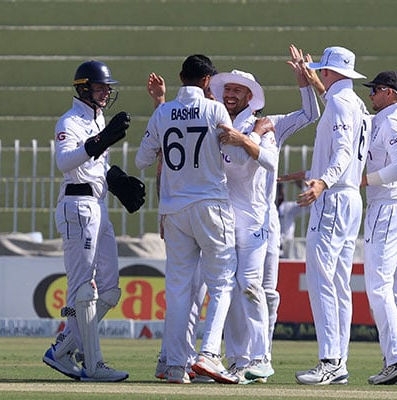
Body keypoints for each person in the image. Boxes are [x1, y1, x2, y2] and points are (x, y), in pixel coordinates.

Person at [208, 53, 321, 383]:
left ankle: (260, 358)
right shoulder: (218, 122)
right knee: (237, 286)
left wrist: (304, 85)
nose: (229, 94)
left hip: (264, 217)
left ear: (249, 96)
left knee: (263, 292)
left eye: (237, 90)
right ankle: (241, 358)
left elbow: (310, 114)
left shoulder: (269, 122)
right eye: (226, 89)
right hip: (230, 217)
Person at [136, 54, 242, 385]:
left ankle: (174, 364)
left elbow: (142, 159)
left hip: (175, 210)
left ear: (181, 76)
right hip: (210, 204)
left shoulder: (164, 112)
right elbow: (234, 155)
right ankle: (209, 354)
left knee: (179, 288)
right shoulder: (215, 109)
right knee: (222, 280)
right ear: (208, 81)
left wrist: (161, 111)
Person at [42, 60, 141, 382]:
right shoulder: (69, 121)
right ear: (83, 88)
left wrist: (118, 179)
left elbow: (96, 166)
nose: (105, 93)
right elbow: (64, 161)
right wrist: (102, 140)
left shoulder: (96, 117)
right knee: (84, 288)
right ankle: (94, 364)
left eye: (107, 88)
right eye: (100, 88)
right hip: (77, 205)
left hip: (97, 204)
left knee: (110, 290)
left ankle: (62, 350)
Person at [288, 46, 371, 385]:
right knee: (338, 283)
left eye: (321, 70)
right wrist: (309, 83)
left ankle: (330, 360)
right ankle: (338, 362)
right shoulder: (355, 103)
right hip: (350, 197)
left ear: (328, 72)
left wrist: (322, 181)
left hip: (334, 196)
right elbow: (342, 133)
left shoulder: (339, 103)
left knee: (323, 280)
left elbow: (342, 151)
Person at [361, 71, 397, 385]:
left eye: (376, 91)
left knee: (379, 288)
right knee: (393, 293)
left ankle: (396, 359)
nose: (371, 96)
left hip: (390, 209)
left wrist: (364, 180)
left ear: (390, 93)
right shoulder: (382, 119)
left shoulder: (393, 121)